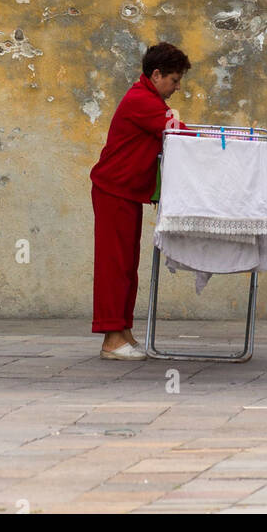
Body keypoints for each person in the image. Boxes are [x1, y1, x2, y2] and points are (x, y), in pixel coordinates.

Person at [90, 41, 190, 359]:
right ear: (157, 74)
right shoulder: (141, 100)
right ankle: (111, 340)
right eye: (174, 81)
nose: (176, 88)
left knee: (126, 266)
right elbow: (179, 132)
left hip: (125, 192)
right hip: (113, 191)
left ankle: (123, 333)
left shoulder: (146, 97)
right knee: (114, 265)